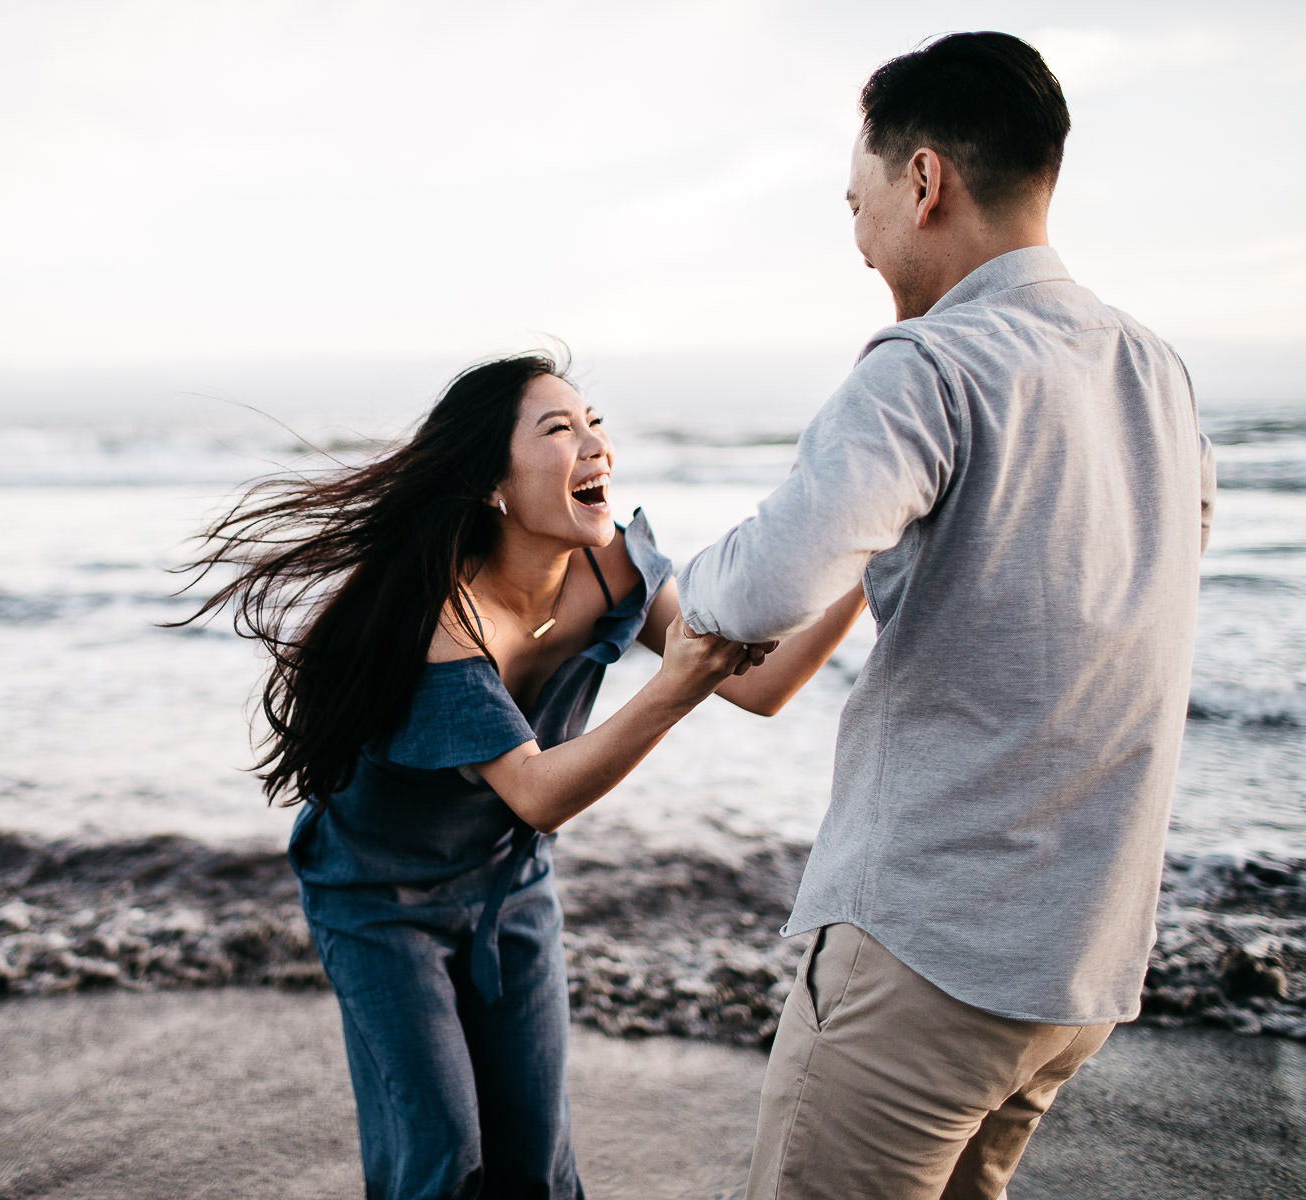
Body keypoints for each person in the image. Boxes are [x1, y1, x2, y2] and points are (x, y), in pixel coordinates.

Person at [673, 32, 1217, 1200]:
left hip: (927, 953)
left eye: (856, 200)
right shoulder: (1157, 374)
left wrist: (675, 586)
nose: (858, 236)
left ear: (925, 180)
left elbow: (762, 585)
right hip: (1078, 965)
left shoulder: (931, 364)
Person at [177, 352, 864, 1199]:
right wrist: (674, 686)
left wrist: (869, 560)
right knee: (444, 1159)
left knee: (536, 1167)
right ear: (492, 484)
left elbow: (760, 686)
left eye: (594, 422)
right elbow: (538, 796)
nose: (595, 445)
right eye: (559, 429)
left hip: (510, 886)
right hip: (377, 898)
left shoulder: (617, 569)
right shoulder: (444, 616)